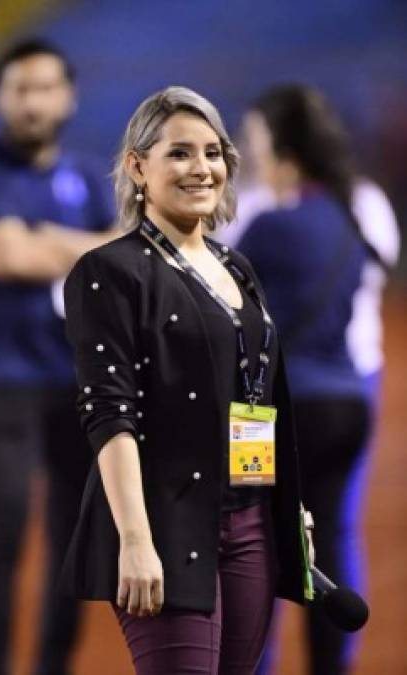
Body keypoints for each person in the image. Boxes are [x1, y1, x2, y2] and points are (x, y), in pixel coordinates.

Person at [61, 86, 313, 675]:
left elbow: (252, 393)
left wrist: (281, 504)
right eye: (179, 153)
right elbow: (108, 414)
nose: (201, 168)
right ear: (137, 167)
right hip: (165, 525)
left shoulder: (236, 267)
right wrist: (134, 540)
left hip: (251, 523)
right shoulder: (108, 272)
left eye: (213, 151)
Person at [0, 39, 117, 675]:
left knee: (72, 543)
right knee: (3, 533)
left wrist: (49, 239)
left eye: (46, 87)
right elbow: (7, 258)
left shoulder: (86, 174)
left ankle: (54, 666)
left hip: (77, 381)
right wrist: (90, 246)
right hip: (1, 379)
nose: (32, 102)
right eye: (20, 88)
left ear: (68, 96)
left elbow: (127, 261)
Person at [235, 84, 379, 675]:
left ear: (285, 153)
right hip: (348, 401)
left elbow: (227, 309)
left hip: (261, 414)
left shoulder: (268, 225)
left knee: (252, 546)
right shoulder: (353, 216)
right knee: (333, 538)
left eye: (258, 143)